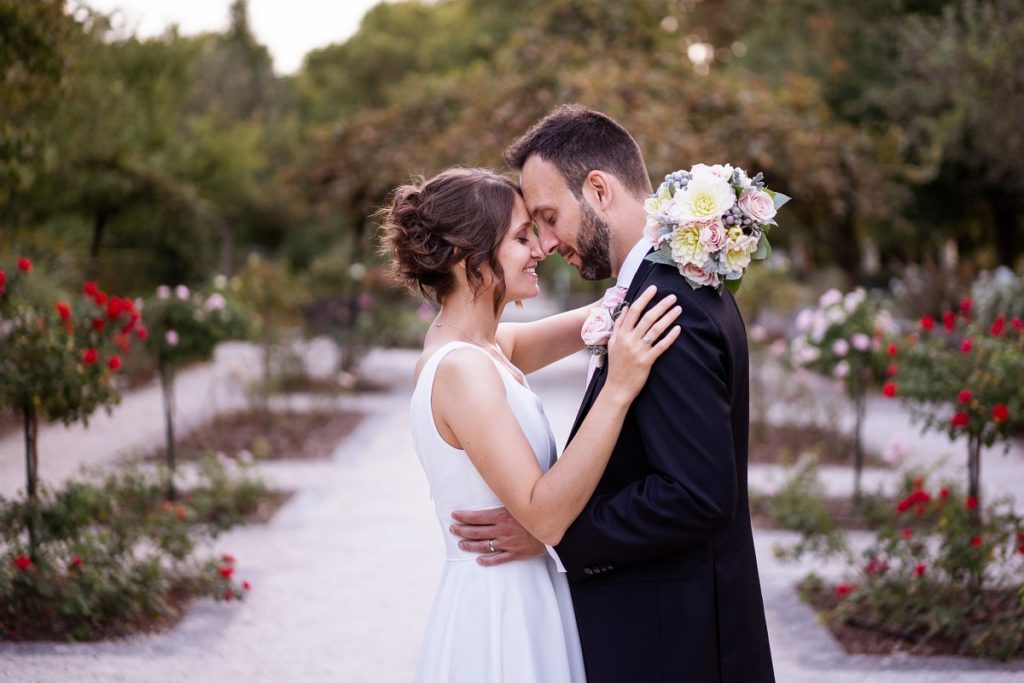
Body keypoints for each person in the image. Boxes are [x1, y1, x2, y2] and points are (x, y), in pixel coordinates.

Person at [450, 106, 776, 682]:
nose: (546, 243)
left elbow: (696, 495)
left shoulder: (667, 306)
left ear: (598, 189)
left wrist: (557, 533)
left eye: (548, 218)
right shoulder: (660, 289)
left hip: (677, 646)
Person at [379, 167, 682, 682]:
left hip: (526, 591)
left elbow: (605, 311)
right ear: (463, 255)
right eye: (522, 237)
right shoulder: (462, 369)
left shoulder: (486, 348)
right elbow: (544, 517)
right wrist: (619, 387)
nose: (541, 247)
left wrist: (677, 245)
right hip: (501, 608)